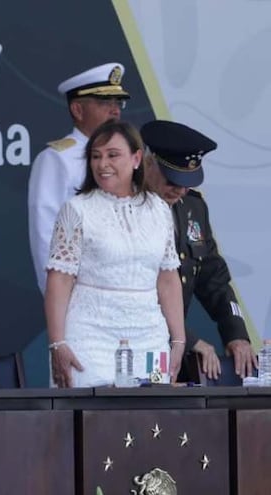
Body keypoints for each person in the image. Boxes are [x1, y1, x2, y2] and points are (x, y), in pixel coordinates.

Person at [45, 120, 186, 387]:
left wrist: (178, 339)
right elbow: (59, 280)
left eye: (112, 155)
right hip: (90, 338)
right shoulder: (76, 209)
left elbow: (167, 277)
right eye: (96, 156)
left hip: (150, 337)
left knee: (151, 423)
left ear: (136, 159)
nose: (102, 164)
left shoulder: (159, 209)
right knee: (91, 422)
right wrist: (57, 343)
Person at [140, 120, 256, 380]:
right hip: (136, 345)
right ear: (147, 162)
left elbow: (213, 276)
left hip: (172, 354)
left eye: (187, 181)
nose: (180, 189)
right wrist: (190, 341)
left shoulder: (192, 207)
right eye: (172, 179)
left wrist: (236, 333)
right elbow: (137, 296)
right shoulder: (128, 208)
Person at [29, 62, 131, 293]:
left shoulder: (127, 156)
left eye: (118, 102)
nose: (115, 110)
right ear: (77, 109)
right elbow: (46, 234)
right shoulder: (57, 159)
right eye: (105, 102)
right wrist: (59, 298)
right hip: (81, 294)